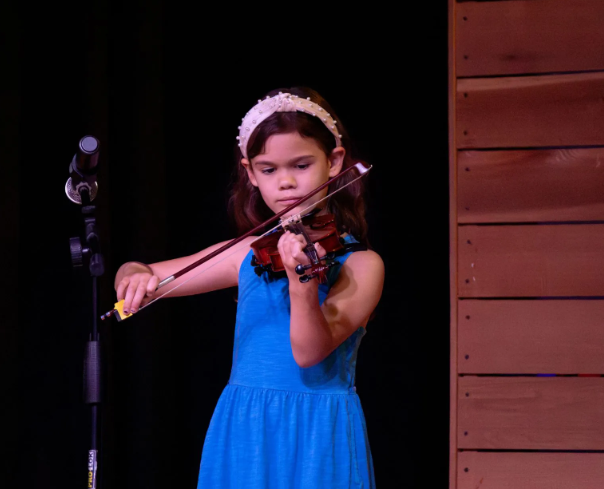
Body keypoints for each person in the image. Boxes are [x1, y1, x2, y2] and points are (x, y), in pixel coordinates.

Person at [113, 87, 385, 488]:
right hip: (247, 425)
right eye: (269, 169)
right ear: (251, 174)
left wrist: (302, 283)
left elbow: (309, 352)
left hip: (316, 432)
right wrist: (131, 275)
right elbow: (143, 272)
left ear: (335, 162)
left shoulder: (362, 264)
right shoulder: (247, 253)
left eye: (302, 164)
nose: (287, 182)